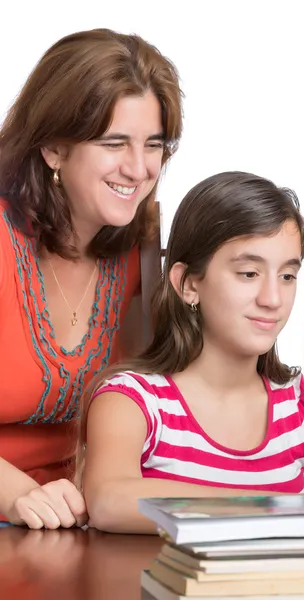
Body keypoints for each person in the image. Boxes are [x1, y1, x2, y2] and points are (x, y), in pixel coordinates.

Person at [0, 28, 183, 529]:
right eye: (114, 143)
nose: (139, 168)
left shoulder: (139, 247)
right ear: (54, 149)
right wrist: (16, 494)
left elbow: (159, 404)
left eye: (154, 145)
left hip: (76, 526)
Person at [80, 171, 304, 535]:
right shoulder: (134, 400)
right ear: (189, 284)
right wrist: (271, 510)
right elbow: (109, 501)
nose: (273, 300)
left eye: (287, 276)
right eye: (249, 273)